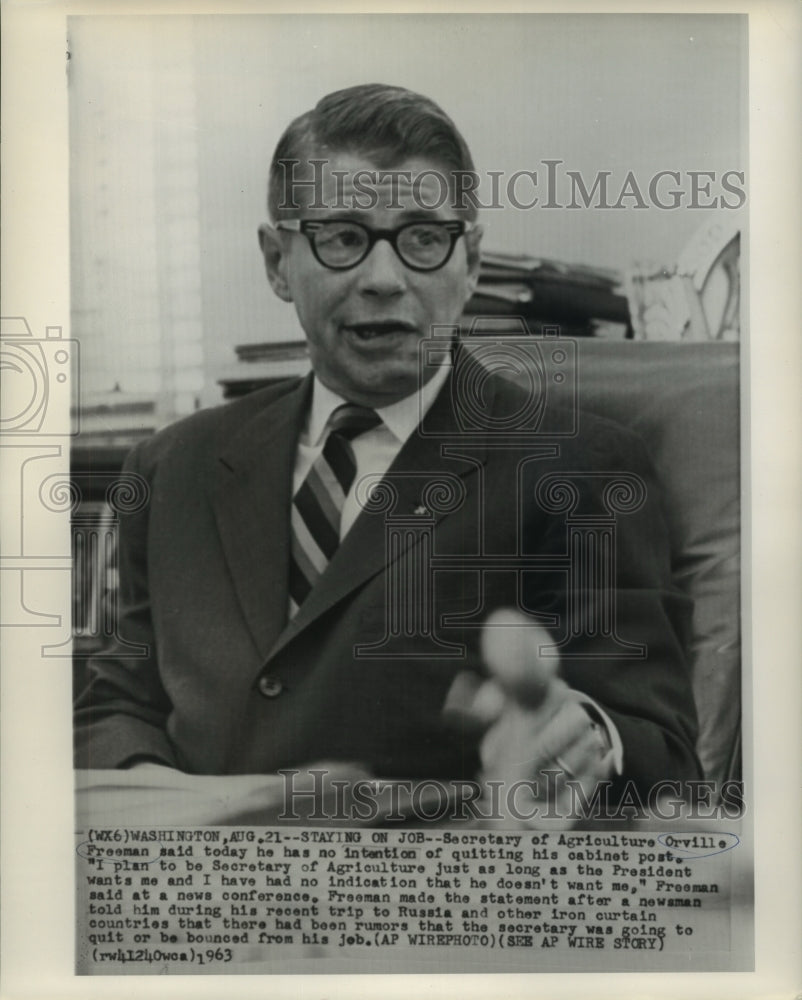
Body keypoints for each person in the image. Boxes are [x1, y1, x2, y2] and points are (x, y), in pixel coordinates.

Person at [74, 84, 701, 819]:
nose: (383, 278)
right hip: (200, 899)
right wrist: (164, 797)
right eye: (341, 237)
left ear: (469, 264)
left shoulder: (578, 467)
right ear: (278, 261)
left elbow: (662, 753)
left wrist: (583, 736)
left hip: (432, 909)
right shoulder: (172, 466)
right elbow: (116, 704)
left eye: (423, 239)